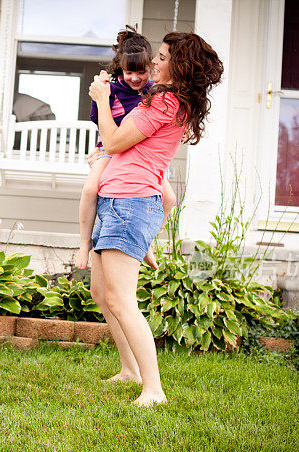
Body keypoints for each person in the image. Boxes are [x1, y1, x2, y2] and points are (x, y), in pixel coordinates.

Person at [87, 32, 223, 406]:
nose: (155, 63)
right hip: (117, 199)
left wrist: (101, 100)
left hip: (130, 202)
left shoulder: (165, 101)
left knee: (121, 299)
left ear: (178, 65)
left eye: (162, 57)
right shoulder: (166, 100)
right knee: (103, 294)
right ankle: (130, 370)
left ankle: (154, 389)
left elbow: (113, 142)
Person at [75, 27, 177, 271]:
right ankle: (83, 243)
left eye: (140, 72)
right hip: (111, 150)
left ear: (149, 69)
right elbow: (97, 119)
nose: (134, 78)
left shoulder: (154, 91)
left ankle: (147, 242)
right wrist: (101, 95)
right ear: (121, 68)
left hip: (137, 156)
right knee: (90, 188)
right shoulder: (112, 89)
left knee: (170, 198)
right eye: (129, 72)